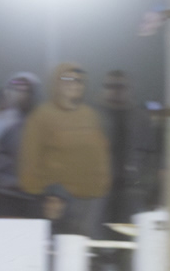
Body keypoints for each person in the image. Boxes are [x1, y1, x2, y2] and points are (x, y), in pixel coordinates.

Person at [17, 61, 112, 237]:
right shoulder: (41, 116)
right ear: (56, 83)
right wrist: (42, 198)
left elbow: (101, 153)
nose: (74, 83)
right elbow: (29, 162)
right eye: (68, 78)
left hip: (91, 202)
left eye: (79, 80)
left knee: (85, 254)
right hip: (58, 204)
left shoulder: (90, 115)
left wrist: (102, 186)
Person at [0, 72, 42, 216]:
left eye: (26, 90)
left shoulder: (42, 121)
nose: (21, 94)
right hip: (5, 194)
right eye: (17, 89)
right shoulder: (0, 122)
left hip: (35, 196)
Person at [100, 70, 141, 222]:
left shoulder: (139, 117)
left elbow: (150, 153)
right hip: (100, 187)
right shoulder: (94, 116)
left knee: (126, 234)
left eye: (119, 86)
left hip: (130, 188)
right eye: (109, 86)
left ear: (129, 88)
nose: (114, 90)